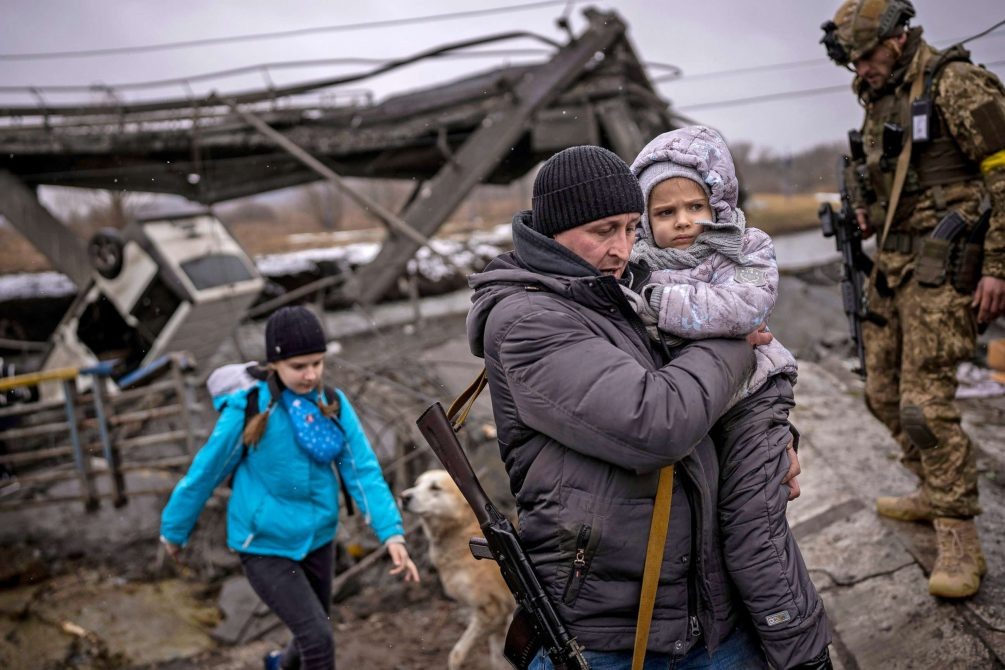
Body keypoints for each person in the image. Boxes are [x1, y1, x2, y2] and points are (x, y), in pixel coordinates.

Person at [466, 145, 795, 669]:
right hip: (608, 631)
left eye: (631, 228)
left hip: (701, 608)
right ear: (553, 231)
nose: (622, 248)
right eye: (603, 231)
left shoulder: (614, 291)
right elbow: (658, 421)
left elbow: (706, 401)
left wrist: (772, 445)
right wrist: (735, 332)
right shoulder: (529, 319)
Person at [624, 125, 832, 670]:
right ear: (645, 219)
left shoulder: (747, 247)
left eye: (696, 205)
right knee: (706, 539)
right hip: (700, 409)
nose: (684, 222)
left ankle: (802, 650)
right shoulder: (637, 265)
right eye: (665, 212)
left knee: (752, 533)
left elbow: (742, 309)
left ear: (717, 200)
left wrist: (658, 305)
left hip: (755, 400)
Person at [821, 0, 1005, 598]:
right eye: (852, 60)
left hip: (947, 267)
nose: (860, 70)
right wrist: (866, 215)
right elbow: (894, 179)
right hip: (895, 268)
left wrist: (997, 268)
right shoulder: (877, 94)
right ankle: (932, 487)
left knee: (923, 404)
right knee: (880, 391)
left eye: (867, 56)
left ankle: (958, 536)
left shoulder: (956, 83)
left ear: (897, 41)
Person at [160, 306, 419, 670]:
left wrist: (391, 533)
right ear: (275, 365)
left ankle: (278, 666)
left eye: (317, 363)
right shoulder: (249, 409)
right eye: (299, 366)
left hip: (319, 538)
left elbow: (362, 472)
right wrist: (174, 530)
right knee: (318, 639)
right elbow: (205, 473)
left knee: (311, 631)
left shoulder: (332, 404)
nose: (311, 374)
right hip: (263, 544)